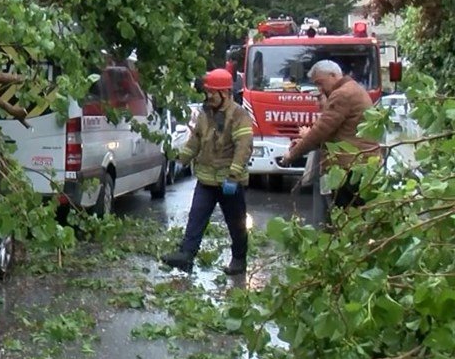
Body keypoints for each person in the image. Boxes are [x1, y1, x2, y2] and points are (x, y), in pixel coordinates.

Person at [161, 68, 254, 275]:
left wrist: (233, 175)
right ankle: (186, 255)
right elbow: (195, 140)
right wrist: (181, 160)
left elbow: (243, 147)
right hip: (206, 180)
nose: (209, 96)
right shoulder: (205, 114)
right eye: (208, 92)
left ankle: (239, 259)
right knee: (196, 218)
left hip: (229, 182)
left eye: (213, 92)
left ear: (226, 93)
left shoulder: (239, 115)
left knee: (236, 224)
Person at [277, 59, 380, 210]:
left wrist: (292, 155)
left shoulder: (342, 94)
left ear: (333, 75)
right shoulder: (353, 88)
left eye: (320, 83)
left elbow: (321, 131)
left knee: (345, 216)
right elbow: (333, 133)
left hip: (348, 166)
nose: (320, 88)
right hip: (360, 163)